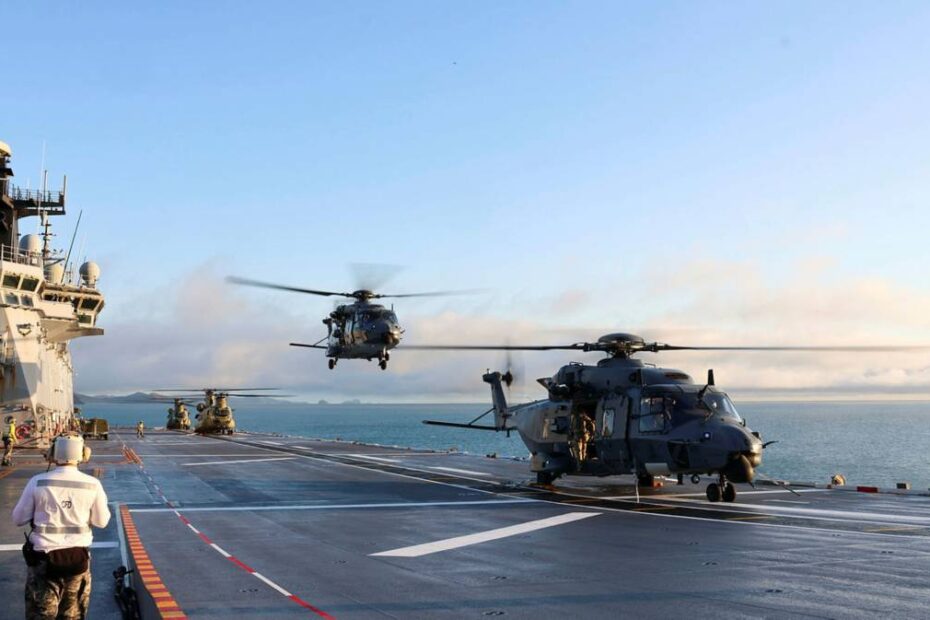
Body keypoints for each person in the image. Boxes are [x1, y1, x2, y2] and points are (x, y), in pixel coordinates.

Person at [12, 433, 110, 619]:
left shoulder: (37, 482)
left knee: (41, 614)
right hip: (77, 562)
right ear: (83, 454)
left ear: (53, 453)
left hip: (43, 563)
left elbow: (18, 518)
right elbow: (102, 522)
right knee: (72, 615)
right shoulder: (93, 485)